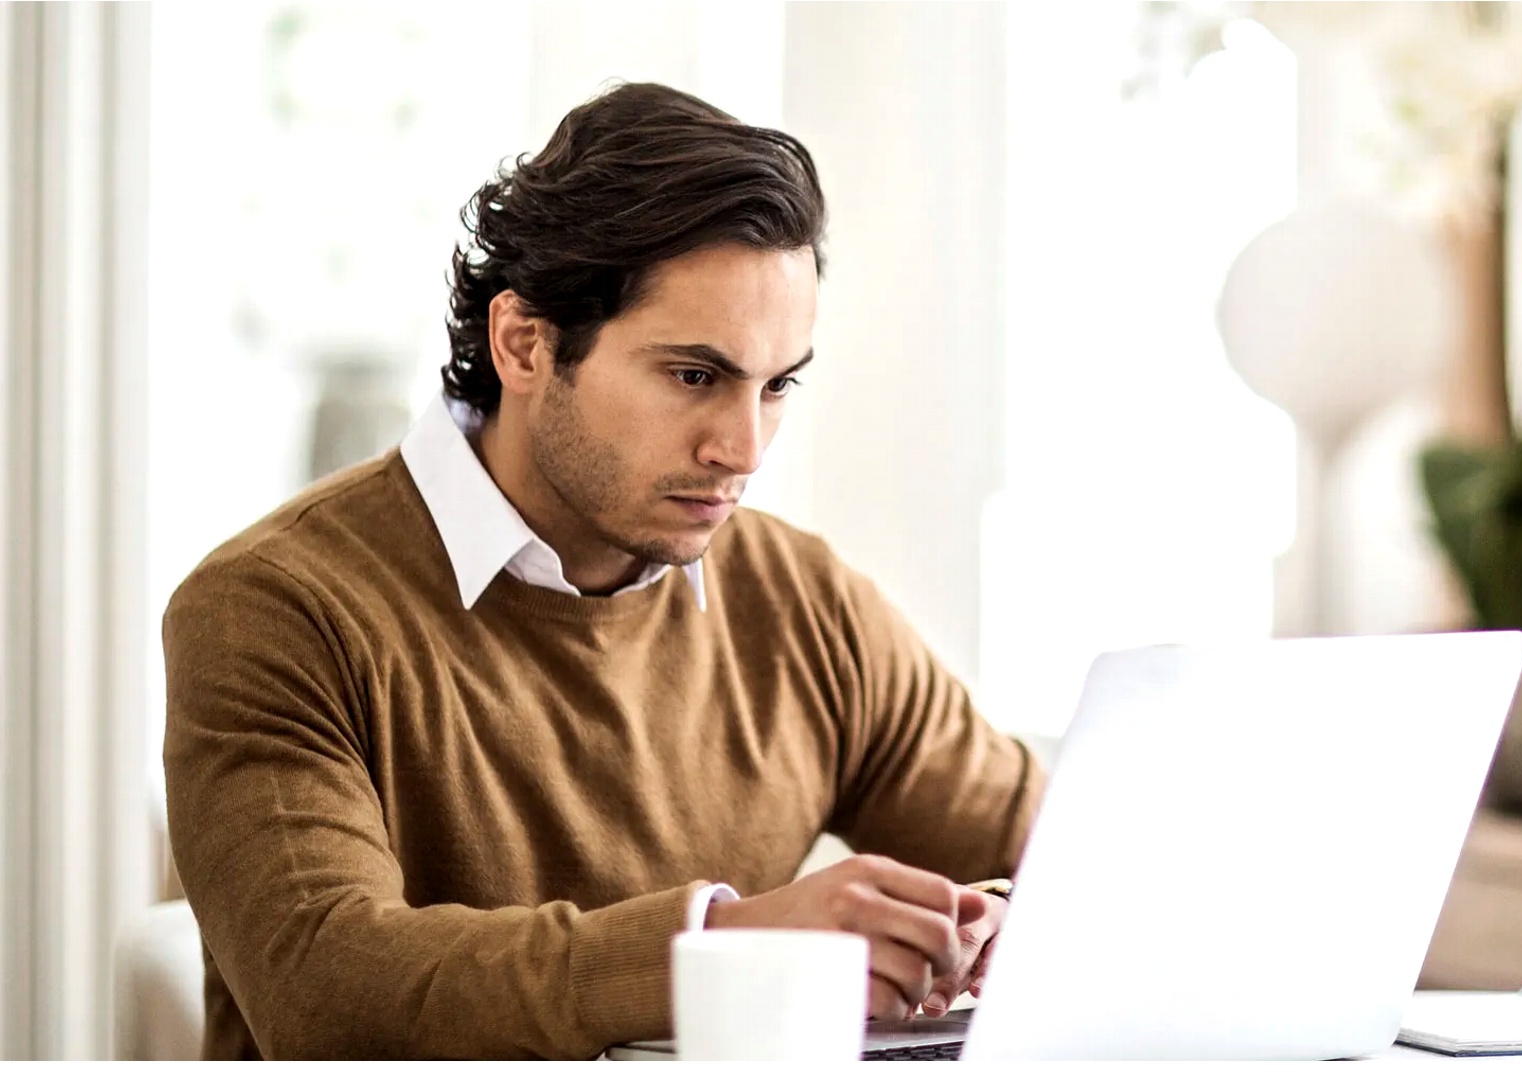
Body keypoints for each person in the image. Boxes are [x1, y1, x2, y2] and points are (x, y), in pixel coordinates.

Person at [162, 81, 1045, 1060]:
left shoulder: (803, 602)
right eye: (695, 377)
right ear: (525, 343)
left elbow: (1060, 849)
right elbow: (326, 989)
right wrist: (730, 944)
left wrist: (1006, 922)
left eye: (778, 385)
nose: (743, 448)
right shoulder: (276, 607)